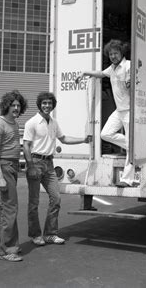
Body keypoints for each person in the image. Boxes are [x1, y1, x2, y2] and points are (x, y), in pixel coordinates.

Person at [23, 91, 90, 246]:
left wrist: (83, 140)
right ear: (39, 104)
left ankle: (50, 234)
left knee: (56, 198)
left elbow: (64, 139)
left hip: (49, 164)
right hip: (35, 162)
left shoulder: (54, 122)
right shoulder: (32, 123)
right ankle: (35, 235)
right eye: (44, 103)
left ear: (53, 105)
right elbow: (26, 145)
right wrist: (31, 166)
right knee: (34, 202)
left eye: (50, 103)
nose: (47, 106)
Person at [76, 39, 136, 188]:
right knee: (105, 134)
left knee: (129, 145)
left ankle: (127, 179)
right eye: (110, 54)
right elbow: (101, 74)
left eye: (115, 53)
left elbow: (137, 71)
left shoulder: (128, 65)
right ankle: (133, 145)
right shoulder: (112, 69)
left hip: (130, 110)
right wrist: (84, 72)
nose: (113, 56)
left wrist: (131, 79)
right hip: (119, 110)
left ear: (122, 53)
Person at [0, 90, 28, 262]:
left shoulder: (14, 123)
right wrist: (1, 177)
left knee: (2, 209)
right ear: (6, 105)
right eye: (13, 105)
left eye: (19, 105)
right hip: (4, 168)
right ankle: (7, 250)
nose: (16, 107)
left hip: (12, 167)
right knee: (10, 209)